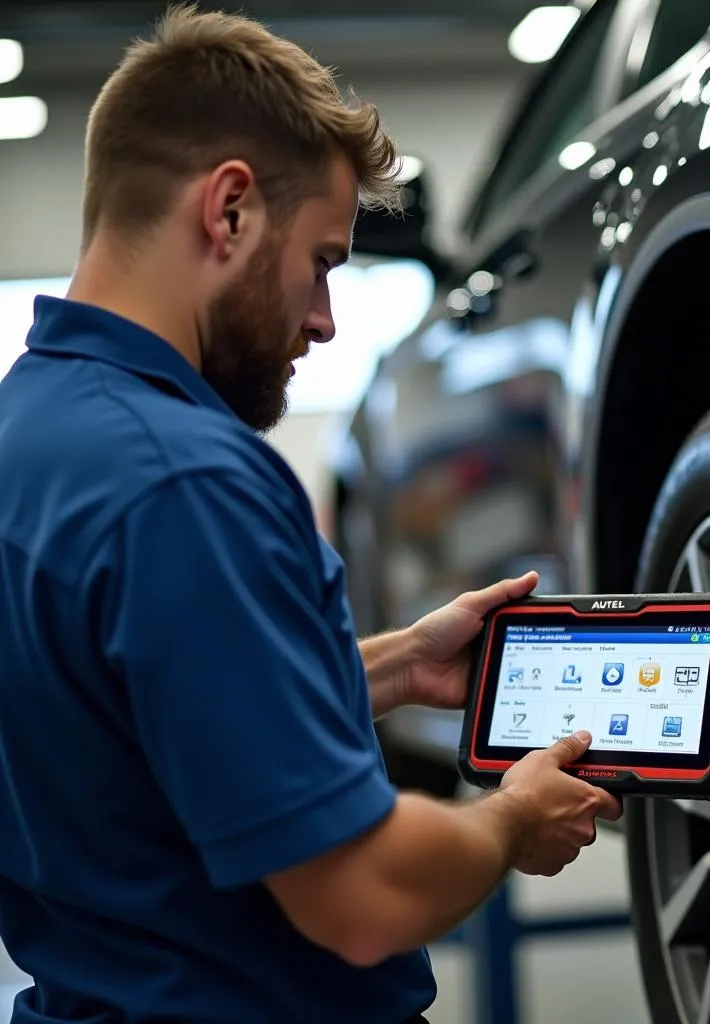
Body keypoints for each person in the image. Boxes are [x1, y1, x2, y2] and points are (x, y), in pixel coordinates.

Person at [0, 6, 621, 1023]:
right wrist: (510, 819)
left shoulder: (29, 435)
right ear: (230, 209)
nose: (325, 321)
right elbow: (362, 898)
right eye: (325, 260)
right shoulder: (185, 481)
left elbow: (135, 712)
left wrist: (389, 666)